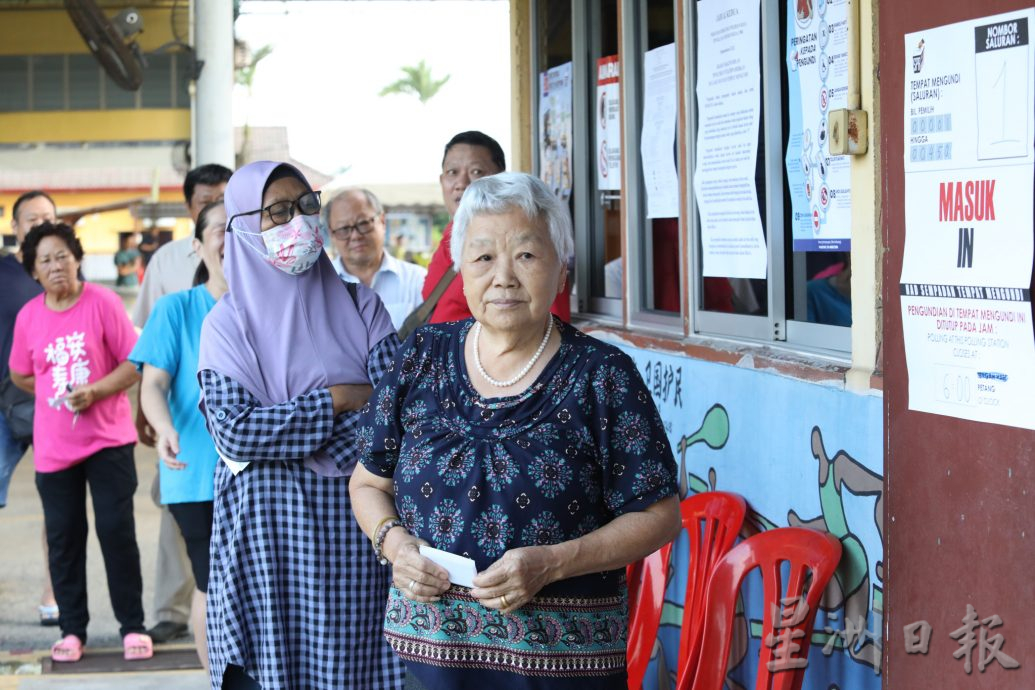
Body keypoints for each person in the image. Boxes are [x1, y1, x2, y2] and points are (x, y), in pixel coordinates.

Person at [350, 172, 680, 690]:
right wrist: (395, 546)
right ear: (461, 270)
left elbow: (658, 515)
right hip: (431, 663)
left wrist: (552, 563)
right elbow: (368, 482)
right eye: (483, 258)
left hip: (562, 672)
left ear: (562, 271)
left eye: (526, 255)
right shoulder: (421, 356)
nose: (503, 276)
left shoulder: (602, 375)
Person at [197, 161, 404, 689]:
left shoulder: (363, 305)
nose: (300, 222)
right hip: (268, 542)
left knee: (358, 666)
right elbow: (235, 432)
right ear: (244, 226)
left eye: (306, 205)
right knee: (273, 667)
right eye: (279, 212)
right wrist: (336, 398)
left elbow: (394, 417)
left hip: (357, 528)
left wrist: (288, 425)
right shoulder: (226, 325)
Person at [9, 222, 152, 663]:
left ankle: (132, 626)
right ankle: (72, 630)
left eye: (62, 257)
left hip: (108, 441)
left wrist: (96, 392)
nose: (56, 266)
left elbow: (135, 363)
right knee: (64, 538)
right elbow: (20, 373)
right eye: (45, 260)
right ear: (33, 270)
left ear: (77, 258)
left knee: (116, 532)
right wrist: (54, 397)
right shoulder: (29, 316)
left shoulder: (103, 302)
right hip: (54, 448)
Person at [133, 163, 232, 645]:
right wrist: (163, 425)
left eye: (241, 226)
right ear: (198, 244)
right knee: (212, 584)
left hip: (266, 473)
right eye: (219, 229)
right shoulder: (177, 308)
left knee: (256, 586)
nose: (231, 237)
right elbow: (153, 383)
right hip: (195, 470)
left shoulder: (272, 308)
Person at [421, 131, 570, 324]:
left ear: (500, 177)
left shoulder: (529, 235)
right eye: (452, 172)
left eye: (476, 172)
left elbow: (552, 326)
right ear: (442, 181)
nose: (462, 183)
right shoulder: (449, 238)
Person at [0, 191, 57, 627]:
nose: (40, 222)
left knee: (58, 504)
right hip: (3, 405)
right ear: (16, 228)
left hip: (51, 405)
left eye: (48, 217)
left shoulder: (65, 272)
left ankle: (52, 594)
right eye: (31, 218)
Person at [326, 188, 427, 330]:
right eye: (344, 228)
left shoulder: (417, 280)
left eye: (363, 223)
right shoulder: (320, 286)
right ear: (331, 234)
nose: (355, 236)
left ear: (382, 221)